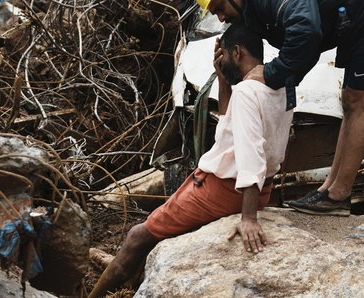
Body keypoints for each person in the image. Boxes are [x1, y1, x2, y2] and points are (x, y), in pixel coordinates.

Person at [191, 0, 364, 216]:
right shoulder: (255, 1)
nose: (222, 17)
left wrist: (272, 73)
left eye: (220, 7)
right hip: (359, 18)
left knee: (361, 100)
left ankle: (338, 196)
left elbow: (306, 32)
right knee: (350, 101)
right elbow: (302, 45)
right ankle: (328, 190)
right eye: (215, 14)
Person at [88, 24, 294, 298]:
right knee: (158, 230)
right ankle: (130, 278)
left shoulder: (246, 92)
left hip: (221, 190)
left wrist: (248, 218)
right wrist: (223, 81)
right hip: (251, 189)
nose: (222, 62)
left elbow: (250, 155)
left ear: (237, 51)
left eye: (225, 57)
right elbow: (230, 129)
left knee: (138, 235)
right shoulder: (279, 86)